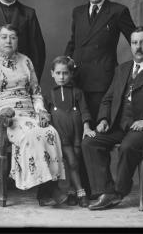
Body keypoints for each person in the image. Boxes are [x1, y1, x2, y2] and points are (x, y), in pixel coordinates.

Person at [81, 26, 143, 210]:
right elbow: (108, 98)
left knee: (128, 146)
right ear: (130, 45)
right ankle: (106, 191)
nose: (138, 47)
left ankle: (118, 192)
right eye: (134, 43)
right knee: (90, 142)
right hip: (121, 125)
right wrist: (103, 120)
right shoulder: (122, 69)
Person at [0, 24, 67, 206]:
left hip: (28, 114)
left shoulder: (26, 61)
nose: (9, 41)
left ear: (18, 41)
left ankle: (48, 186)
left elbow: (35, 92)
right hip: (0, 118)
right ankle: (47, 190)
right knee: (30, 134)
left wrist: (41, 110)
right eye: (4, 37)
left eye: (13, 37)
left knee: (50, 132)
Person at [64, 0, 137, 121]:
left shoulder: (118, 11)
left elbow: (135, 38)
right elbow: (73, 42)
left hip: (102, 78)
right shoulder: (78, 12)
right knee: (78, 124)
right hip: (78, 75)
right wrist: (64, 64)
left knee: (99, 124)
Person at [44, 56, 96, 207]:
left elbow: (85, 111)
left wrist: (87, 127)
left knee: (76, 162)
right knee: (72, 162)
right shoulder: (50, 94)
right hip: (62, 136)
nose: (61, 77)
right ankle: (81, 193)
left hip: (77, 135)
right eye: (58, 73)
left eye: (65, 73)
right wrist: (43, 117)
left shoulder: (77, 92)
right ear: (52, 73)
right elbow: (45, 113)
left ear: (71, 74)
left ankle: (72, 192)